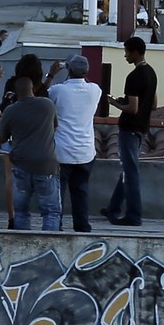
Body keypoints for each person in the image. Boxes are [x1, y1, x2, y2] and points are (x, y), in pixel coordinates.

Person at [103, 36, 155, 226]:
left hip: (129, 128)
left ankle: (133, 215)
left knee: (130, 171)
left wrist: (114, 102)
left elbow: (132, 108)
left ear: (134, 51)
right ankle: (113, 208)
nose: (125, 55)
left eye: (126, 51)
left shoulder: (134, 76)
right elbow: (153, 103)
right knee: (128, 168)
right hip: (142, 128)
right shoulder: (151, 73)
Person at [47, 54, 102, 231]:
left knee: (58, 192)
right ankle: (82, 225)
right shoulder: (95, 90)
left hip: (62, 150)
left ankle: (57, 225)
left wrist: (51, 75)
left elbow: (42, 97)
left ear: (68, 69)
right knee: (81, 190)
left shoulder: (58, 90)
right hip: (85, 150)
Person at [1, 75, 61, 231]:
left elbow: (2, 138)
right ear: (32, 89)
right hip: (46, 165)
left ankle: (23, 247)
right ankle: (50, 247)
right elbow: (55, 127)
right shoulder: (47, 105)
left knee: (21, 211)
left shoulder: (11, 110)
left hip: (21, 165)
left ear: (15, 92)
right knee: (51, 212)